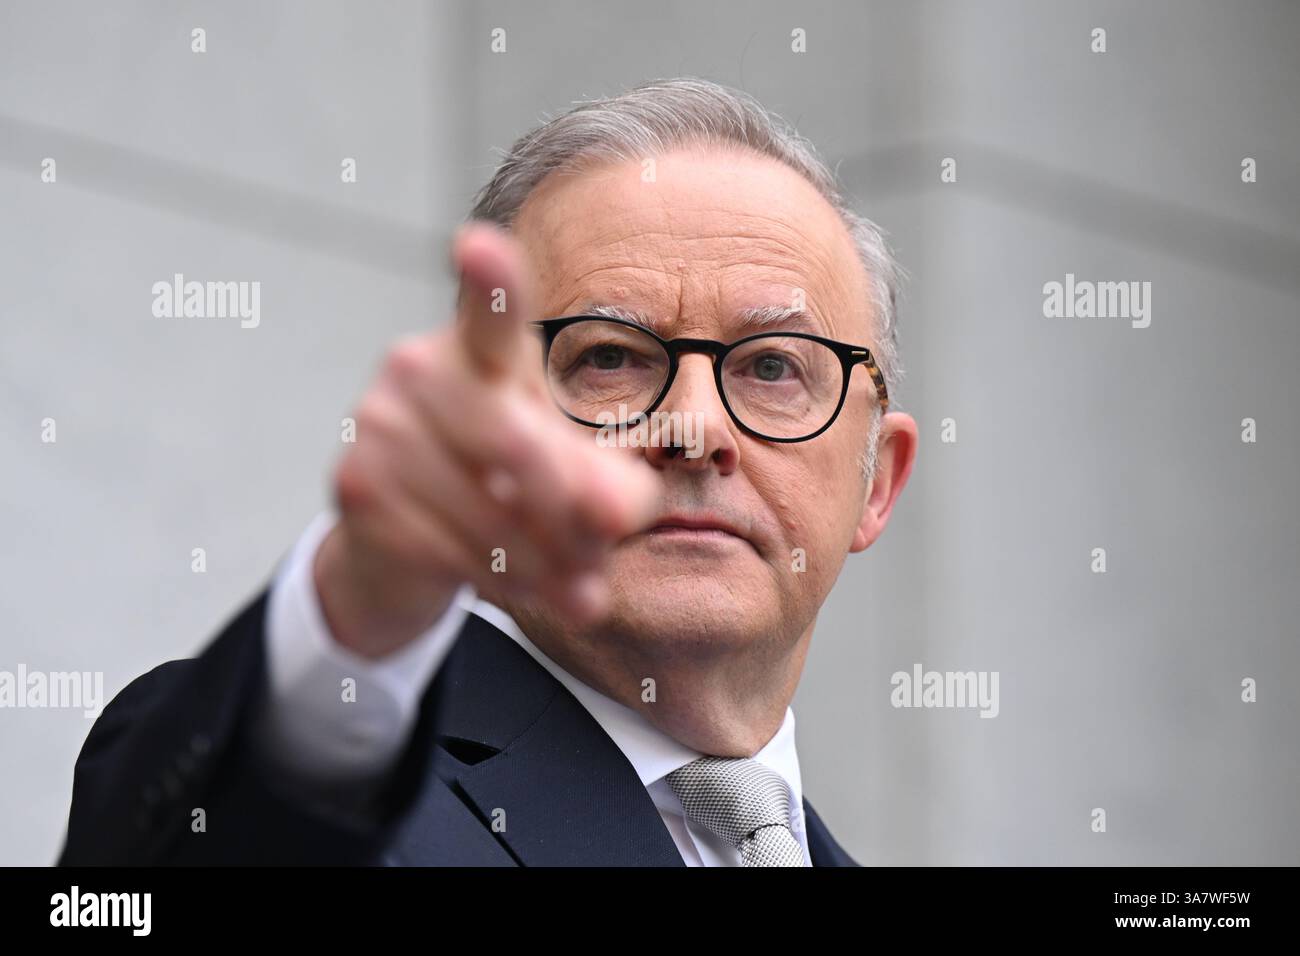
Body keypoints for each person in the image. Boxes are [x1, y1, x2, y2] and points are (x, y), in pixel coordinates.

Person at [58, 78, 918, 866]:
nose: (693, 427)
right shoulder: (318, 776)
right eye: (610, 357)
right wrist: (353, 625)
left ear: (876, 482)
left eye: (772, 368)